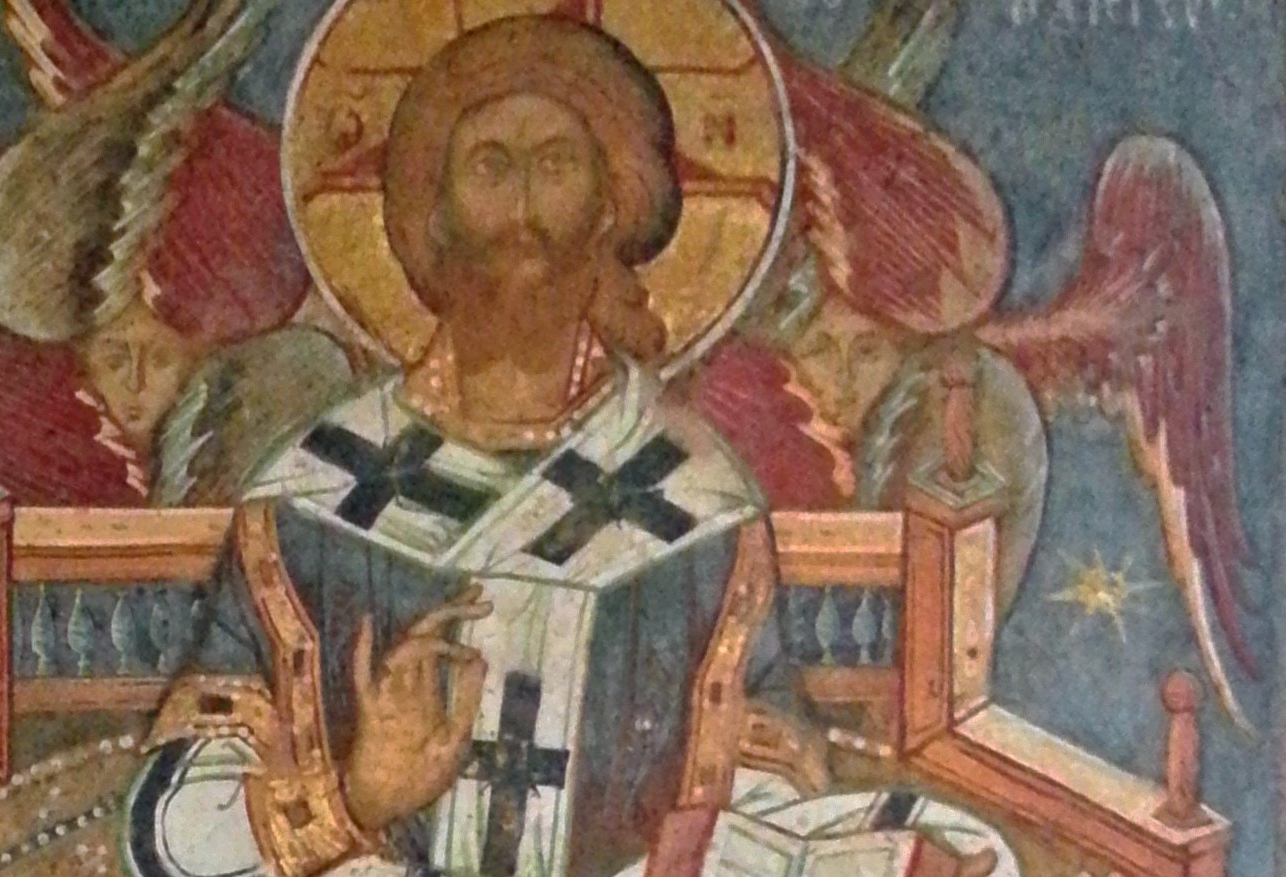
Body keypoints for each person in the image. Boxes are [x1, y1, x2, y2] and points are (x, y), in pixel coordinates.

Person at [120, 15, 1010, 877]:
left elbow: (755, 777)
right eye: (489, 166)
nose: (522, 206)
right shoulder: (314, 498)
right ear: (433, 214)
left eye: (556, 166)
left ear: (611, 210)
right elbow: (172, 824)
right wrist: (355, 793)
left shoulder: (693, 503)